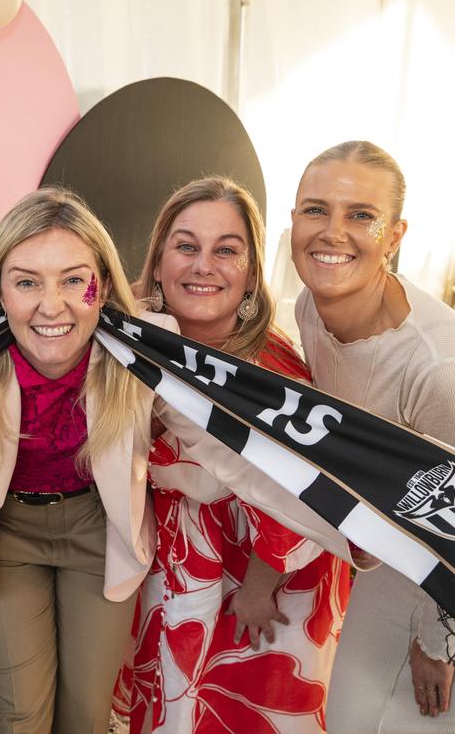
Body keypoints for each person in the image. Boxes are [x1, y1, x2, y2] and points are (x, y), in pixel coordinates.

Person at [0, 187, 349, 734]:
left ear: (100, 285)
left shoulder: (138, 349)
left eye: (74, 280)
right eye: (27, 280)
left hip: (102, 533)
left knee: (87, 712)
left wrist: (349, 524)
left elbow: (229, 456)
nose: (52, 304)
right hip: (8, 534)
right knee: (19, 713)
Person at [114, 177, 351, 733]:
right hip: (176, 555)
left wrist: (259, 587)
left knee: (233, 710)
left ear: (248, 273)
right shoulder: (134, 343)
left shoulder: (270, 370)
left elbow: (304, 496)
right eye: (187, 246)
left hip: (263, 577)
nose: (204, 265)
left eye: (226, 250)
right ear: (158, 261)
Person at [291, 141, 455, 731]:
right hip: (377, 559)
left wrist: (439, 642)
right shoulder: (312, 305)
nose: (332, 232)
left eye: (361, 215)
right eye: (315, 210)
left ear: (395, 235)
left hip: (431, 586)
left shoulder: (434, 370)